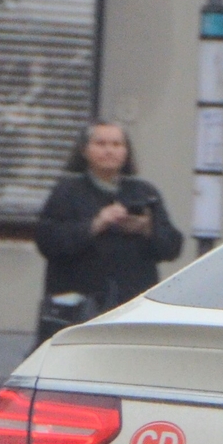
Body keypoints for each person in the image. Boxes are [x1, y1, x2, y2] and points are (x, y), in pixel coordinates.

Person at [32, 120, 181, 342]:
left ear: (126, 151)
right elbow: (48, 241)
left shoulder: (144, 193)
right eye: (100, 143)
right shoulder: (68, 192)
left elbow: (172, 246)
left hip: (131, 306)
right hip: (78, 307)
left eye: (116, 144)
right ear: (85, 150)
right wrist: (96, 224)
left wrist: (147, 229)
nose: (109, 150)